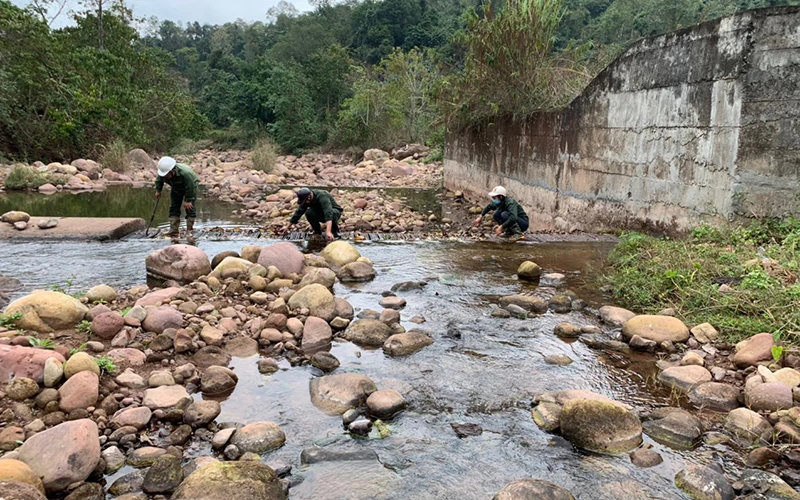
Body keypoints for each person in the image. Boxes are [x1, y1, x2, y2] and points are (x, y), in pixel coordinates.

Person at [155, 156, 199, 238]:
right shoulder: (163, 173)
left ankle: (189, 229)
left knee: (189, 207)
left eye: (166, 175)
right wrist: (158, 190)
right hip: (176, 187)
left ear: (173, 171)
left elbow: (190, 187)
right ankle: (173, 229)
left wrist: (188, 200)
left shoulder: (185, 174)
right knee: (174, 207)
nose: (165, 177)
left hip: (191, 186)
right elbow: (159, 180)